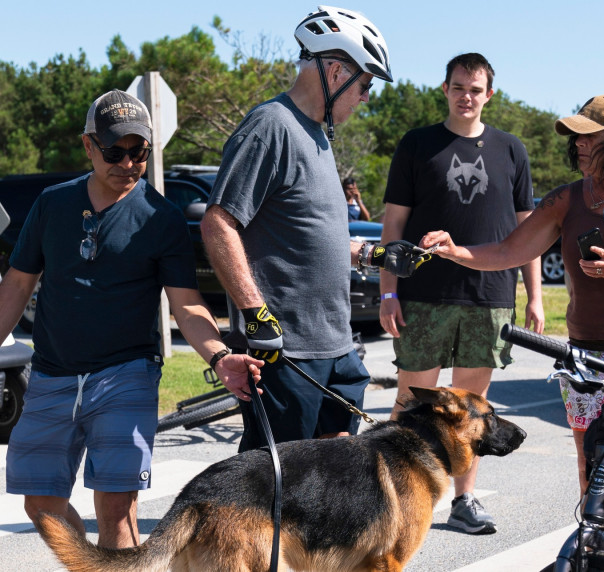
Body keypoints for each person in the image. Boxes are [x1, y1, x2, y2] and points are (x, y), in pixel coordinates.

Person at [0, 89, 263, 549]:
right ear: (88, 146)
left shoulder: (160, 218)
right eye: (114, 151)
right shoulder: (51, 205)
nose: (128, 162)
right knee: (40, 505)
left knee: (116, 512)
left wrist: (221, 356)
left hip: (125, 375)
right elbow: (17, 286)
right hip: (52, 374)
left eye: (138, 151)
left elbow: (186, 304)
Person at [421, 94, 604, 498]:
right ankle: (601, 555)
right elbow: (506, 251)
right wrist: (454, 250)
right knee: (594, 481)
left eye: (589, 136)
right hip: (588, 359)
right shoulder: (566, 200)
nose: (579, 144)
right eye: (576, 137)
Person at [200, 6, 428, 451]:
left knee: (336, 480)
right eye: (364, 86)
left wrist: (371, 255)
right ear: (336, 70)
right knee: (275, 488)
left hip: (336, 345)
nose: (365, 98)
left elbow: (307, 234)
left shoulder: (318, 134)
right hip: (289, 352)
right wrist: (255, 313)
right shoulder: (270, 126)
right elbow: (218, 223)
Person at [380, 52, 544, 535]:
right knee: (413, 401)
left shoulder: (511, 149)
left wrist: (534, 295)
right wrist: (389, 293)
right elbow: (393, 225)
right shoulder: (418, 145)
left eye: (475, 89)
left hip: (490, 295)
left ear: (489, 94)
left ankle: (464, 501)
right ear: (445, 89)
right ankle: (391, 496)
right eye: (457, 87)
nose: (466, 96)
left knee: (473, 406)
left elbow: (526, 230)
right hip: (423, 294)